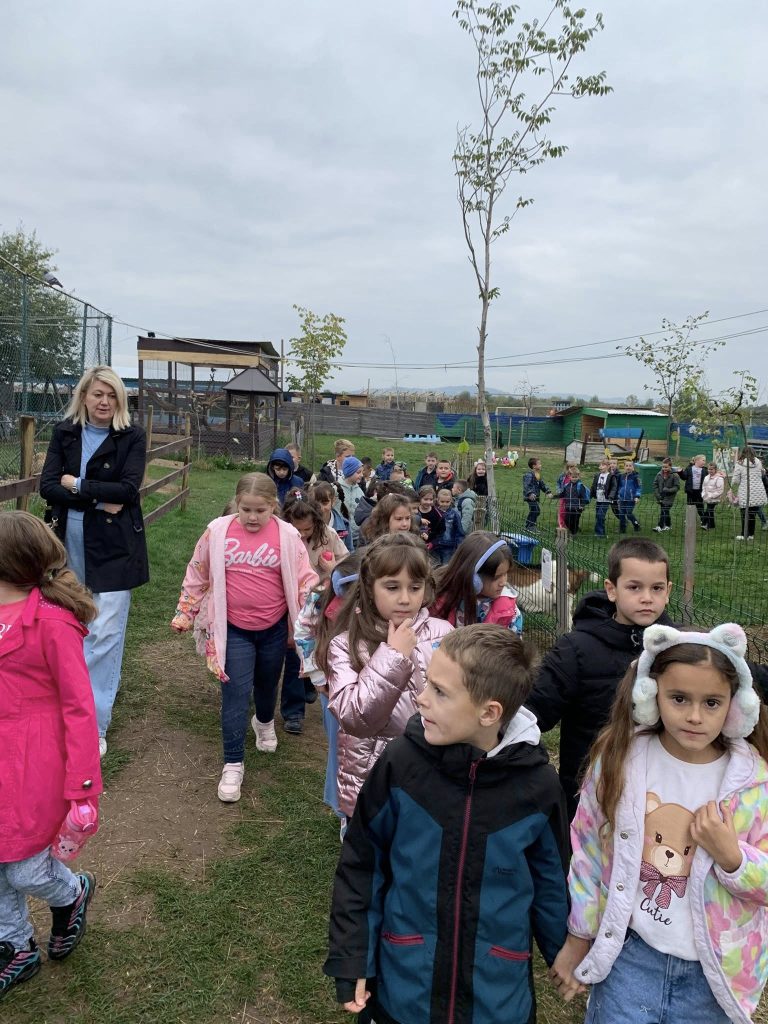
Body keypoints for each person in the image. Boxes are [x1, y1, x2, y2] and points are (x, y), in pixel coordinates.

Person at [325, 624, 569, 1024]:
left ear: (489, 713)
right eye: (426, 683)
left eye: (439, 691)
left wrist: (565, 952)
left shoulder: (538, 786)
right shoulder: (400, 764)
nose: (421, 698)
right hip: (404, 994)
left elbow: (552, 882)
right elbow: (361, 864)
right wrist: (353, 956)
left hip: (497, 1001)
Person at [551, 622, 768, 1024]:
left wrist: (733, 858)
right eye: (679, 698)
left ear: (736, 705)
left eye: (712, 703)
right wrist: (580, 934)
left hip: (713, 976)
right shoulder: (621, 761)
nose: (695, 716)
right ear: (651, 695)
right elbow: (588, 849)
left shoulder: (754, 784)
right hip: (631, 958)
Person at [0, 511, 101, 996]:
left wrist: (83, 781)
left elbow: (79, 706)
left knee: (23, 864)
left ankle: (71, 892)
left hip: (34, 761)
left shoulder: (52, 622)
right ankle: (15, 945)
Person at [171, 473, 317, 800]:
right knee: (235, 692)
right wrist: (186, 610)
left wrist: (309, 617)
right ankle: (233, 763)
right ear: (236, 503)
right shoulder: (217, 532)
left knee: (267, 684)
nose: (252, 517)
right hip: (233, 628)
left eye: (260, 510)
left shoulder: (288, 536)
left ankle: (263, 721)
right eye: (245, 509)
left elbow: (305, 579)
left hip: (273, 629)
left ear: (273, 506)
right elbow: (197, 572)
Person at [40, 365, 149, 758]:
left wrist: (78, 485)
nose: (104, 402)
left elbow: (128, 490)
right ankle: (66, 706)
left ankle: (92, 723)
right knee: (69, 625)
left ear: (120, 400)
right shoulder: (65, 432)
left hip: (115, 546)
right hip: (66, 543)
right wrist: (99, 498)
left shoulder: (131, 436)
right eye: (97, 394)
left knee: (104, 633)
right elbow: (47, 486)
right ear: (83, 396)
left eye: (112, 395)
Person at [525, 538, 673, 820]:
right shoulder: (576, 650)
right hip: (589, 795)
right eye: (634, 587)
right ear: (611, 589)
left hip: (658, 796)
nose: (646, 597)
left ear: (668, 592)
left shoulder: (679, 648)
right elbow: (533, 713)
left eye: (656, 588)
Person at [317, 533, 453, 825]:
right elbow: (355, 718)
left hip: (433, 773)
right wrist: (393, 656)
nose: (405, 598)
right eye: (392, 587)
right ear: (369, 588)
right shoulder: (346, 645)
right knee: (373, 849)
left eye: (414, 587)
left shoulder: (444, 634)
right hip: (373, 778)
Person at [294, 554, 364, 826]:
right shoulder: (320, 598)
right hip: (332, 690)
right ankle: (344, 812)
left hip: (368, 689)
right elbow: (303, 632)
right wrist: (317, 675)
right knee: (341, 750)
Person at [432, 531, 523, 632]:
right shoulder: (439, 601)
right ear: (473, 578)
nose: (503, 582)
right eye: (496, 577)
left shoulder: (509, 611)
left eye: (505, 573)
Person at [281, 490, 348, 577]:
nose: (302, 534)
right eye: (297, 529)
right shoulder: (281, 539)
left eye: (307, 529)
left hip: (324, 584)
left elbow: (346, 560)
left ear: (316, 523)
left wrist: (333, 569)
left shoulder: (328, 534)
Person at [730, 446, 768, 541]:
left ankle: (744, 535)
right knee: (752, 515)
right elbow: (761, 475)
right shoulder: (758, 462)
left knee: (744, 514)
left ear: (742, 453)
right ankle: (751, 535)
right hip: (758, 490)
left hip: (745, 490)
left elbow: (736, 480)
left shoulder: (740, 463)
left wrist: (733, 485)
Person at [311, 481, 353, 552]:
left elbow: (350, 552)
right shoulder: (306, 526)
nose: (320, 508)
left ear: (333, 501)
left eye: (324, 503)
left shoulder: (345, 525)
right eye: (315, 504)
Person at [335, 457, 367, 548]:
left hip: (356, 537)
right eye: (358, 472)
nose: (361, 475)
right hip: (340, 536)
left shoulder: (360, 491)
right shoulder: (336, 489)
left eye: (362, 472)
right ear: (349, 472)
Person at [432, 487, 465, 564]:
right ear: (437, 500)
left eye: (447, 502)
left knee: (446, 565)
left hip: (448, 545)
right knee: (434, 565)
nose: (445, 504)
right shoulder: (434, 512)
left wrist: (459, 545)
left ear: (451, 501)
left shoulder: (454, 514)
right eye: (442, 501)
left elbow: (459, 531)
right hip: (434, 545)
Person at [557, 466, 590, 535]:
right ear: (569, 476)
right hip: (568, 507)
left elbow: (583, 497)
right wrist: (555, 496)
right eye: (573, 477)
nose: (574, 479)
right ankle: (572, 530)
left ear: (578, 476)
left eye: (576, 477)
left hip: (577, 508)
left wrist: (582, 505)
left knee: (575, 521)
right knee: (567, 520)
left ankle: (574, 533)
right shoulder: (566, 486)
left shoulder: (580, 486)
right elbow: (563, 494)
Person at [522, 456, 553, 531]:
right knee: (535, 510)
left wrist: (548, 492)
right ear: (534, 466)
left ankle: (529, 526)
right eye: (539, 464)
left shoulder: (537, 474)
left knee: (535, 510)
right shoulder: (529, 475)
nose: (541, 465)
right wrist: (530, 493)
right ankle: (530, 526)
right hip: (530, 497)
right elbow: (527, 485)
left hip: (536, 497)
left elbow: (542, 485)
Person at [678, 453, 707, 526]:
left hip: (700, 491)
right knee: (690, 505)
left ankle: (703, 520)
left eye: (705, 460)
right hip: (691, 491)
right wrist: (680, 472)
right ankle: (689, 519)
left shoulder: (704, 470)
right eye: (703, 460)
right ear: (697, 461)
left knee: (700, 506)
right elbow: (684, 477)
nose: (705, 462)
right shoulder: (689, 468)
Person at [652, 457, 681, 532]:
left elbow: (677, 487)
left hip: (669, 497)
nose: (664, 469)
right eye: (663, 467)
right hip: (660, 496)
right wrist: (657, 494)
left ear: (670, 466)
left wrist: (668, 490)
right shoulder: (659, 474)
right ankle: (668, 525)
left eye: (666, 467)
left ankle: (660, 526)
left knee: (664, 511)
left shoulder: (675, 475)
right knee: (665, 511)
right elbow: (655, 484)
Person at [591, 459, 618, 538]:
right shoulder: (597, 475)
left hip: (606, 500)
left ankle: (599, 534)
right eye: (600, 465)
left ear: (608, 466)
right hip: (598, 499)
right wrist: (590, 495)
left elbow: (614, 487)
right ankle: (601, 532)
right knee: (598, 516)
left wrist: (611, 496)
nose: (601, 467)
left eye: (603, 465)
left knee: (600, 515)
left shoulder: (611, 476)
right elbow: (593, 486)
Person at [415, 485, 445, 554]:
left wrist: (433, 543)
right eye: (425, 499)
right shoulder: (414, 510)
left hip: (431, 548)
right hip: (415, 545)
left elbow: (441, 532)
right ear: (419, 498)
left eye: (431, 499)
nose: (428, 502)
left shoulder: (438, 515)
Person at [616, 460, 642, 533]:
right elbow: (619, 486)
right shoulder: (621, 476)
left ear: (633, 467)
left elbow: (639, 487)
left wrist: (637, 496)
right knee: (621, 514)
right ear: (624, 467)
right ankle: (622, 529)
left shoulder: (636, 477)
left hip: (631, 499)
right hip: (622, 499)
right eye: (626, 466)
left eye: (630, 466)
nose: (628, 467)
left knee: (629, 513)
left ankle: (636, 524)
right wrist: (619, 494)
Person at [701, 461, 725, 530]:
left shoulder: (719, 478)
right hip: (707, 497)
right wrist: (703, 494)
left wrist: (711, 496)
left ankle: (707, 524)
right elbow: (703, 487)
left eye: (712, 469)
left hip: (714, 498)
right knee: (709, 510)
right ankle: (710, 525)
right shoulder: (706, 477)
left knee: (709, 509)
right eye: (709, 469)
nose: (710, 471)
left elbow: (720, 490)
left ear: (715, 469)